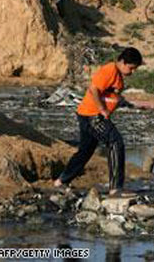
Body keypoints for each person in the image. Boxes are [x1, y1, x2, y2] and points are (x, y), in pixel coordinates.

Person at [54, 47, 143, 195]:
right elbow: (94, 89)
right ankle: (116, 188)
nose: (132, 72)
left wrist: (122, 102)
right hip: (93, 115)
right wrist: (102, 109)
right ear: (122, 62)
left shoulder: (118, 75)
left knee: (85, 151)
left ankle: (61, 182)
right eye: (131, 68)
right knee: (115, 142)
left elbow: (109, 94)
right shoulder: (110, 70)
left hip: (87, 114)